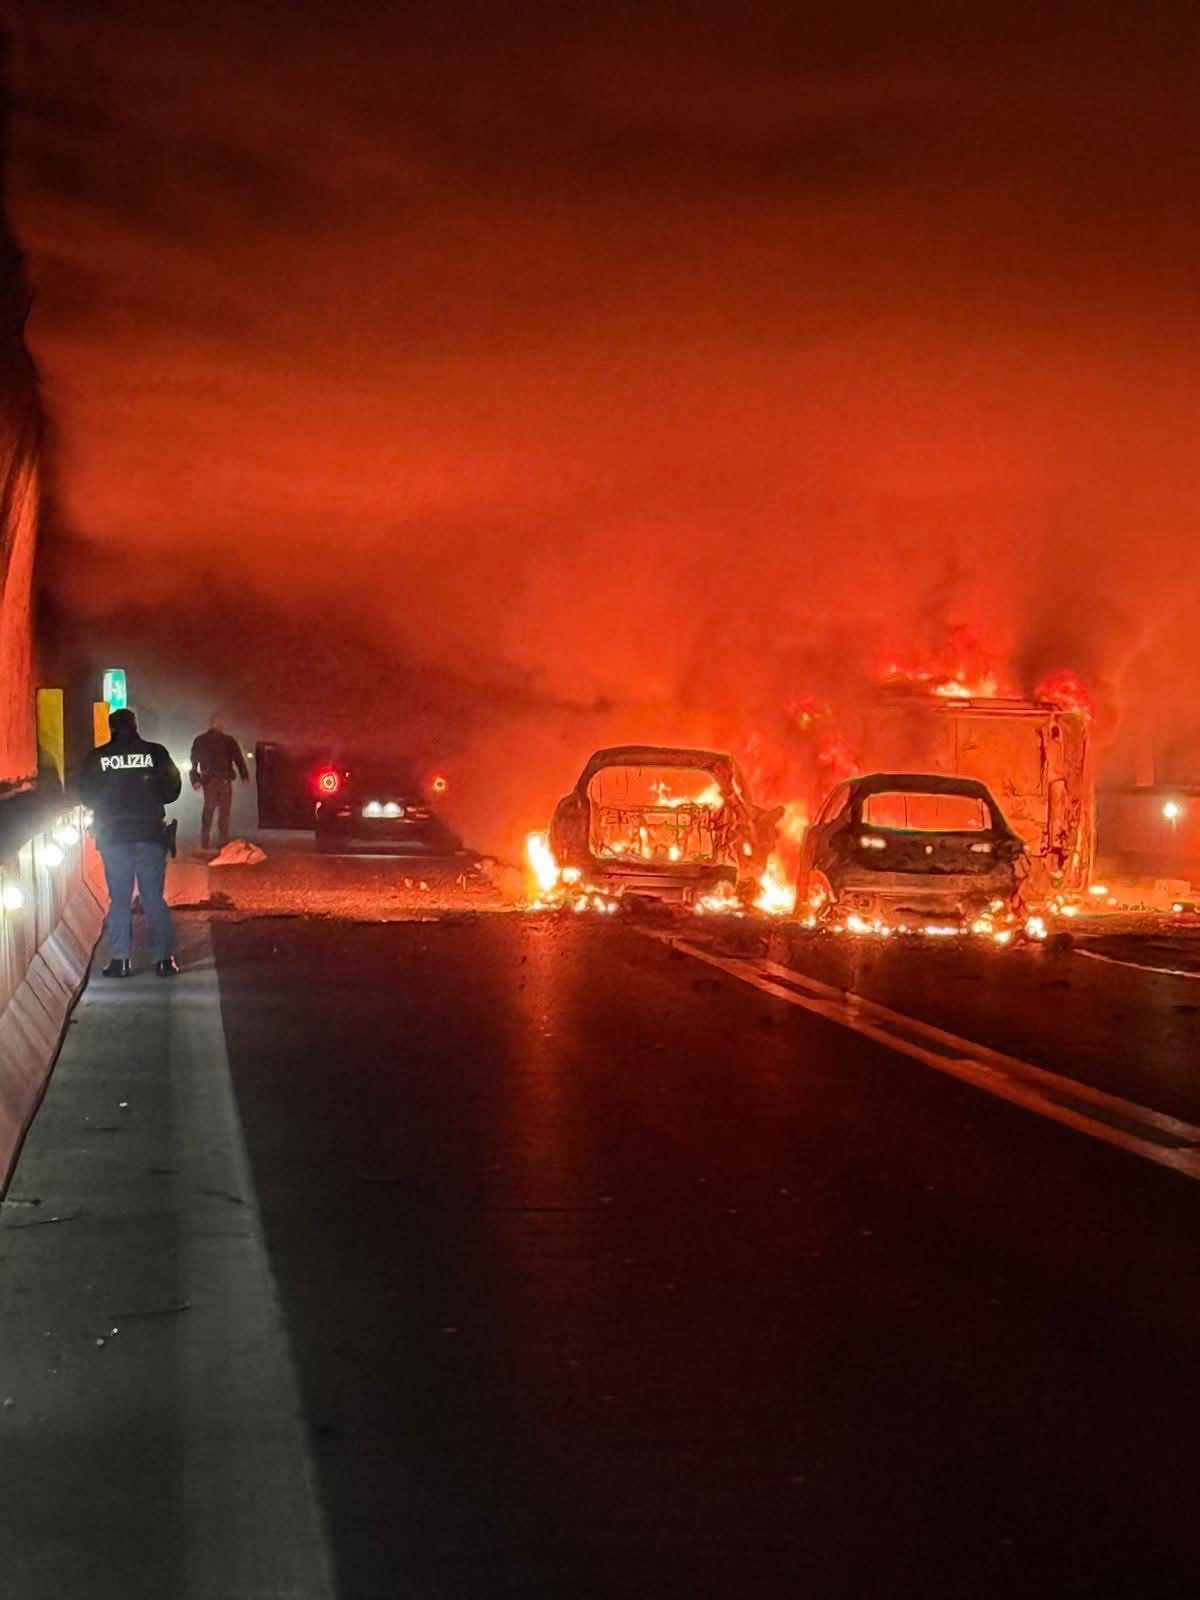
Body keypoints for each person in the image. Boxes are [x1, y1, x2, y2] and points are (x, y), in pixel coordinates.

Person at [79, 708, 182, 979]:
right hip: (149, 834)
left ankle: (121, 961)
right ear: (135, 726)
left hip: (114, 836)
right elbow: (172, 791)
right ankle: (164, 961)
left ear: (111, 727)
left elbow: (86, 796)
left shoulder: (97, 757)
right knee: (153, 899)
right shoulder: (155, 753)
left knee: (120, 899)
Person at [189, 714, 249, 851]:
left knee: (222, 812)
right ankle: (207, 840)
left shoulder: (227, 741)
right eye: (217, 722)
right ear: (211, 723)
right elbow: (194, 762)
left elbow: (238, 759)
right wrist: (195, 779)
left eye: (221, 722)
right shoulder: (203, 740)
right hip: (212, 780)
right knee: (212, 810)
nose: (219, 724)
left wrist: (244, 775)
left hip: (222, 779)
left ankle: (220, 841)